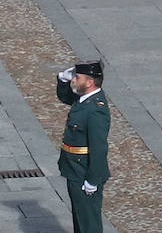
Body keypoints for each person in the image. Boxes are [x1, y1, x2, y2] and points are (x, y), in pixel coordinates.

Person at [56, 61, 110, 233]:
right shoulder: (84, 98)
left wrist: (93, 179)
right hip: (74, 168)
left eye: (77, 78)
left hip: (84, 170)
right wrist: (62, 79)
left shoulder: (95, 109)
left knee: (89, 223)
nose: (74, 80)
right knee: (80, 217)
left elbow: (98, 148)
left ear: (89, 82)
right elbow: (65, 97)